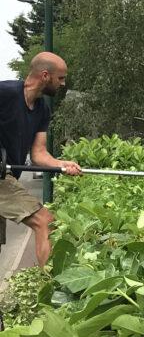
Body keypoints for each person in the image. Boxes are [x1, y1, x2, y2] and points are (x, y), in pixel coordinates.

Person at [0, 52, 82, 265]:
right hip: (1, 178)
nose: (63, 84)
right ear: (45, 75)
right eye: (61, 78)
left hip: (6, 177)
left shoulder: (42, 110)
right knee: (44, 220)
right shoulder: (6, 93)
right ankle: (52, 291)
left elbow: (39, 154)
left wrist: (63, 164)